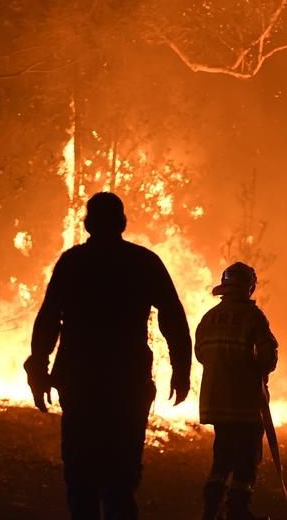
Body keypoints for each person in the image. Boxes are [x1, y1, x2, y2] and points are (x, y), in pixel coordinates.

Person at [24, 191, 192, 520]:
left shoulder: (72, 263)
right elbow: (173, 316)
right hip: (127, 383)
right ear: (122, 223)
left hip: (79, 382)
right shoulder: (143, 262)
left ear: (86, 224)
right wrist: (181, 369)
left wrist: (39, 369)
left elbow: (48, 319)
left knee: (81, 476)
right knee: (121, 477)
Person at [196, 261, 279, 520]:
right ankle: (237, 510)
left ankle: (211, 508)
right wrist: (255, 369)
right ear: (249, 287)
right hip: (244, 402)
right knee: (247, 456)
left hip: (216, 401)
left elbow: (200, 354)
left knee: (222, 456)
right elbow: (268, 354)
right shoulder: (252, 316)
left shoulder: (209, 317)